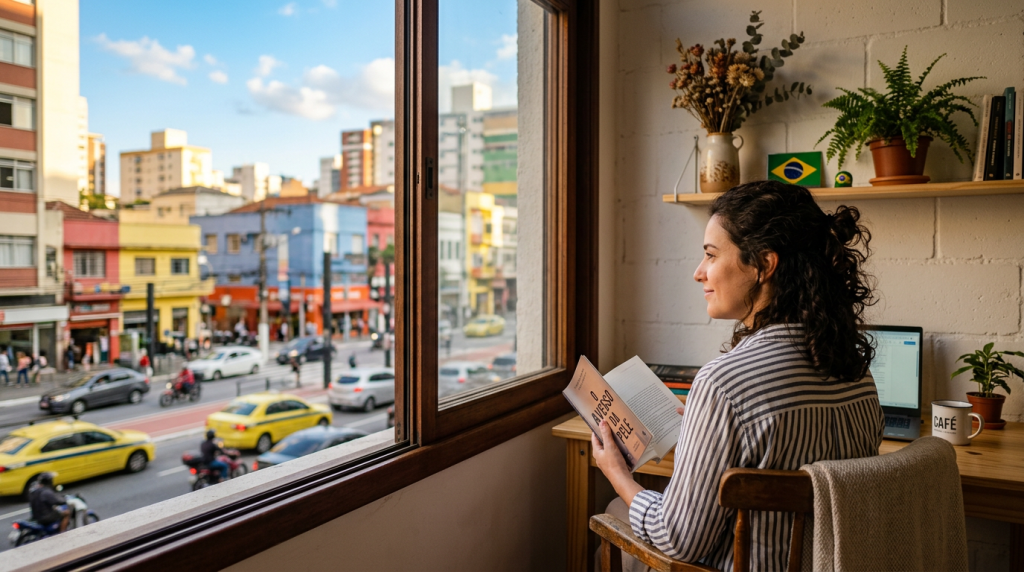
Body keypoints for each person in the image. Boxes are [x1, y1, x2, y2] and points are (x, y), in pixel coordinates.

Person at [591, 181, 884, 571]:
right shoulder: (858, 375)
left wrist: (618, 475)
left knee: (613, 508)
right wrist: (705, 430)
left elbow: (680, 540)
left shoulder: (723, 383)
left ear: (764, 264)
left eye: (711, 255)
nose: (699, 273)